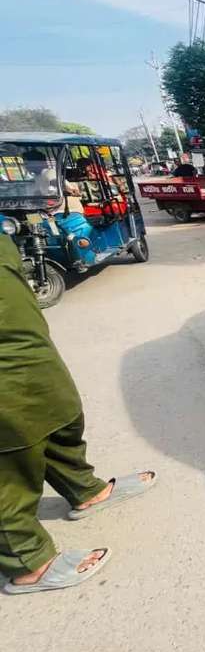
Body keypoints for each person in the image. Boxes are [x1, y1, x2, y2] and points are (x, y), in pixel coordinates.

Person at [0, 235, 156, 594]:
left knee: (59, 412)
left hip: (26, 341)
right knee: (10, 447)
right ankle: (28, 562)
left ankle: (84, 489)